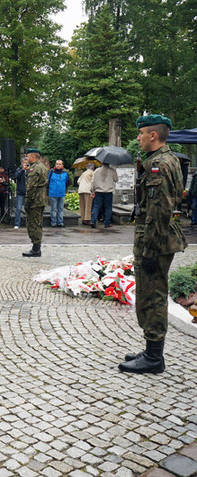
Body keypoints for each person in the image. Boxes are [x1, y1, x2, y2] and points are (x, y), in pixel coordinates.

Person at [119, 114, 187, 374]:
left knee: (152, 295)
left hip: (155, 240)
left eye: (141, 133)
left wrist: (150, 249)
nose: (138, 138)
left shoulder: (159, 164)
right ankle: (151, 350)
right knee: (151, 292)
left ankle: (154, 357)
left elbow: (160, 211)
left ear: (153, 135)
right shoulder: (166, 160)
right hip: (156, 238)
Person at [22, 148, 48, 257]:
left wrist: (27, 200)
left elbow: (31, 187)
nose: (26, 158)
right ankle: (36, 247)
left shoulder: (35, 169)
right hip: (40, 199)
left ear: (33, 156)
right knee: (37, 223)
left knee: (33, 224)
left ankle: (36, 249)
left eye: (28, 156)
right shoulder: (42, 167)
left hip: (35, 200)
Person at [90, 162, 119, 229]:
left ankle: (93, 221)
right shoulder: (112, 170)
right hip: (108, 191)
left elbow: (93, 181)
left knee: (96, 206)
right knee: (108, 207)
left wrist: (92, 190)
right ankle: (107, 222)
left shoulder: (97, 170)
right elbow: (116, 179)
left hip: (99, 191)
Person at [47, 160, 69, 227]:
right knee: (53, 209)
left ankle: (60, 222)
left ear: (62, 165)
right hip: (53, 193)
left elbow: (67, 182)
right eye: (57, 164)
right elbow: (48, 181)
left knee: (60, 209)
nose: (58, 165)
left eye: (59, 164)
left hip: (61, 193)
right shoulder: (51, 172)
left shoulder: (65, 173)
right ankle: (53, 222)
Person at [12, 158, 28, 228]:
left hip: (28, 192)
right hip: (20, 192)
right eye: (24, 162)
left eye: (27, 162)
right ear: (21, 163)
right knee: (18, 208)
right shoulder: (19, 169)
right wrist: (22, 170)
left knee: (29, 209)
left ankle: (29, 223)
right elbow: (16, 176)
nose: (26, 164)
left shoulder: (30, 169)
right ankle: (16, 224)